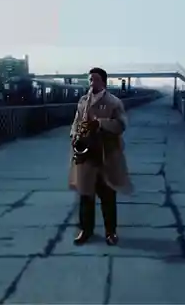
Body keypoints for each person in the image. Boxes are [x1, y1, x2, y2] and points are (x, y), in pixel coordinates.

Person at [68, 67, 132, 245]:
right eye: (89, 80)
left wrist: (100, 124)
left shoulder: (114, 102)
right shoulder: (82, 101)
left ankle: (110, 232)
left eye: (95, 79)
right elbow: (76, 122)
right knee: (85, 195)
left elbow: (121, 125)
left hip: (106, 155)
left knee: (107, 196)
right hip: (86, 155)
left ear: (103, 81)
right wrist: (74, 136)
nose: (91, 83)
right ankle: (85, 231)